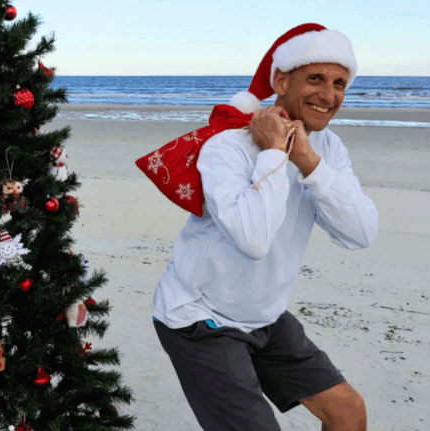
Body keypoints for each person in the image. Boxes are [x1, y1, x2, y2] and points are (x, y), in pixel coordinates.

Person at [152, 24, 378, 431]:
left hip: (265, 317)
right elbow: (253, 239)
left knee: (348, 413)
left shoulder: (328, 149)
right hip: (200, 318)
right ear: (280, 80)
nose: (329, 95)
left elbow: (359, 233)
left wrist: (308, 162)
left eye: (340, 83)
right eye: (315, 79)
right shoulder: (226, 146)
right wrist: (275, 153)